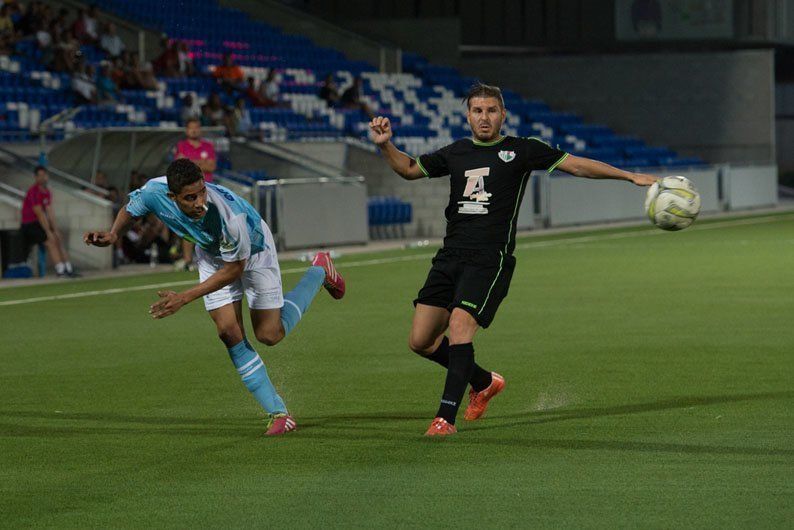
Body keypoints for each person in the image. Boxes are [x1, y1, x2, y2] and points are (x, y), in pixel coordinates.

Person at [368, 83, 658, 436]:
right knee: (421, 341)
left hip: (490, 259)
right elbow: (410, 169)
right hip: (450, 257)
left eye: (491, 110)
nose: (485, 117)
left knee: (460, 327)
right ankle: (484, 382)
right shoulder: (457, 152)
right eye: (477, 111)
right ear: (468, 116)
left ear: (503, 115)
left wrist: (629, 176)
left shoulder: (522, 150)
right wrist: (385, 146)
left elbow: (577, 166)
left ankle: (445, 418)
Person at [83, 158, 347, 436]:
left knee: (269, 334)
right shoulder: (154, 191)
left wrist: (184, 297)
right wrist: (114, 235)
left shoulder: (229, 218)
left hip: (254, 250)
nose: (200, 202)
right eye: (190, 197)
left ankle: (319, 270)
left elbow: (234, 270)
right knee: (228, 332)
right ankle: (279, 413)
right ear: (172, 197)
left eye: (202, 192)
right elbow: (132, 207)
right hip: (211, 253)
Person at [20, 166, 79, 278]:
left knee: (58, 238)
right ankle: (60, 270)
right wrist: (48, 232)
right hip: (29, 225)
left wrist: (55, 230)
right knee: (50, 241)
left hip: (39, 223)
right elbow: (39, 213)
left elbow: (50, 212)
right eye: (40, 175)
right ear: (36, 177)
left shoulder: (47, 192)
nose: (43, 178)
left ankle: (68, 268)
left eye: (44, 175)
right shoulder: (33, 191)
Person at [173, 118, 217, 270]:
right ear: (187, 130)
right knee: (189, 225)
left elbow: (211, 166)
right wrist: (200, 163)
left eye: (196, 128)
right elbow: (179, 166)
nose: (194, 131)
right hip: (189, 193)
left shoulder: (208, 146)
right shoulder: (181, 145)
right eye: (191, 128)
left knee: (210, 225)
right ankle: (187, 260)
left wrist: (190, 162)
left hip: (207, 189)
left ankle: (211, 258)